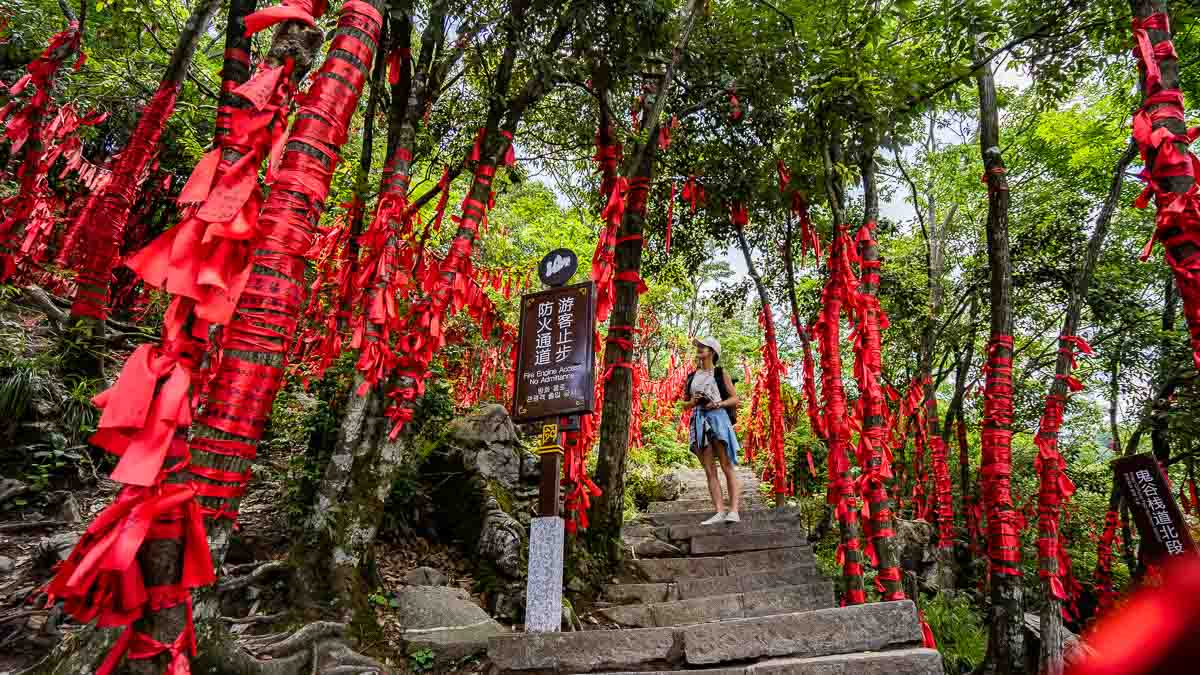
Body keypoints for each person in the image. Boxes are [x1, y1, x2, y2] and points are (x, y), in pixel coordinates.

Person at [683, 337, 742, 525]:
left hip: (717, 418)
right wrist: (692, 402)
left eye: (703, 346)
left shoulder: (720, 373)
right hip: (699, 419)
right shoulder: (692, 377)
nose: (699, 349)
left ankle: (734, 510)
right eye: (698, 346)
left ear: (713, 351)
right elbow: (684, 404)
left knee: (726, 465)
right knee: (709, 469)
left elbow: (735, 399)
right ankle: (718, 511)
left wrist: (719, 403)